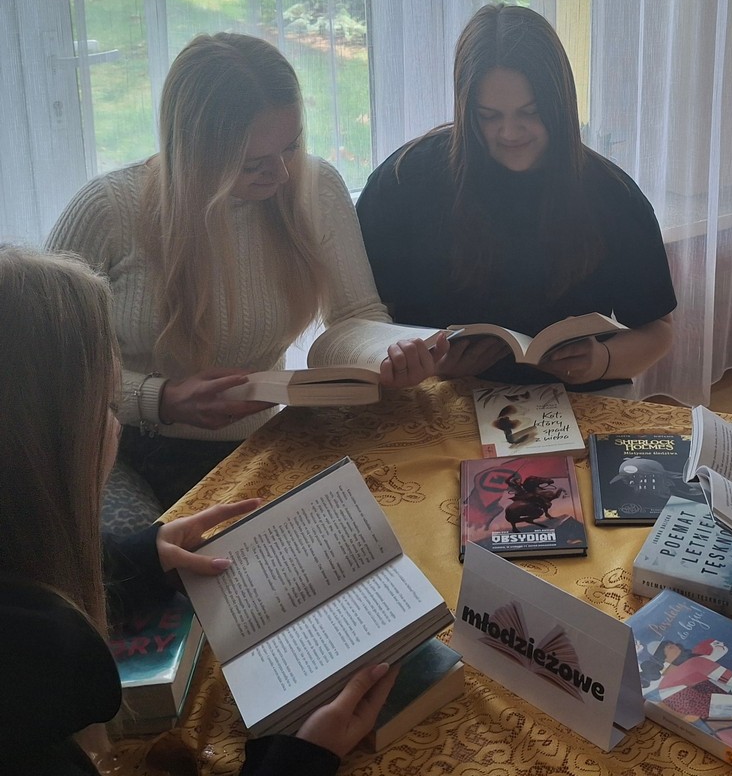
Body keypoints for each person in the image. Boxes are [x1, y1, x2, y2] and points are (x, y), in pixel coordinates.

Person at [0, 245, 399, 775]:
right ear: (51, 447)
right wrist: (298, 759)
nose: (115, 424)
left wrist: (136, 557)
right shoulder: (36, 678)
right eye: (109, 405)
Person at [47, 33, 441, 522]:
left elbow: (355, 315)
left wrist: (386, 355)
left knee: (387, 518)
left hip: (259, 442)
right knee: (145, 556)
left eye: (291, 147)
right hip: (122, 447)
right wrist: (160, 399)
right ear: (192, 150)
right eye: (253, 163)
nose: (282, 174)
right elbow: (45, 369)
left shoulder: (315, 187)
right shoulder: (108, 209)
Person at [356, 4, 676, 389]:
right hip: (437, 396)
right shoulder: (406, 179)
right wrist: (429, 366)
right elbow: (359, 323)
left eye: (531, 112)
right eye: (489, 116)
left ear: (560, 106)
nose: (510, 132)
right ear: (466, 108)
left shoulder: (610, 193)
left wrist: (602, 360)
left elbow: (658, 329)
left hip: (575, 399)